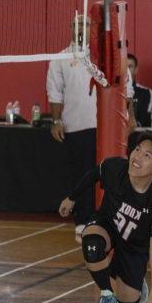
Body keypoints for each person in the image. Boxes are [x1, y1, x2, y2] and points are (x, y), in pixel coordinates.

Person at [59, 132, 152, 303]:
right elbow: (95, 173)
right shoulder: (116, 169)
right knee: (92, 244)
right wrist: (72, 198)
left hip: (135, 248)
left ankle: (133, 286)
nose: (137, 157)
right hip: (108, 225)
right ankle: (106, 295)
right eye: (137, 150)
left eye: (147, 155)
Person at [47, 15, 97, 243]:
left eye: (85, 24)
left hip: (103, 126)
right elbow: (55, 92)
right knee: (81, 176)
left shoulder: (102, 55)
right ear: (70, 27)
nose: (81, 28)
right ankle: (83, 221)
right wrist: (56, 121)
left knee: (107, 174)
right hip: (76, 125)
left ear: (91, 28)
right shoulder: (60, 58)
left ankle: (105, 220)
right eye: (76, 24)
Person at [126, 54, 152, 128]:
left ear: (136, 70)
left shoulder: (146, 92)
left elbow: (144, 119)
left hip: (137, 134)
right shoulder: (113, 92)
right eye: (124, 66)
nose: (126, 70)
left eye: (129, 66)